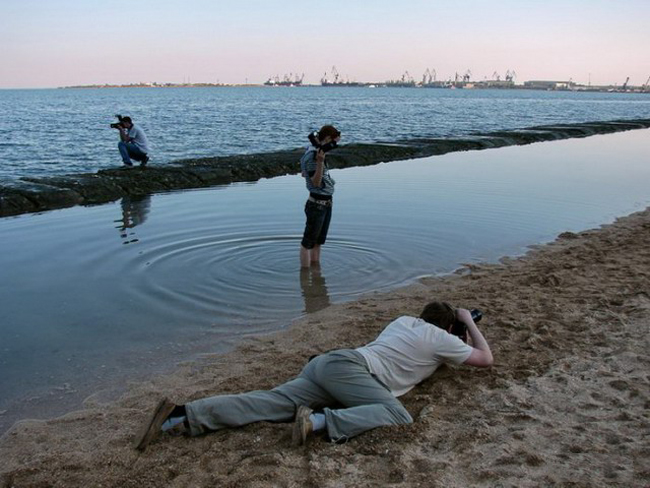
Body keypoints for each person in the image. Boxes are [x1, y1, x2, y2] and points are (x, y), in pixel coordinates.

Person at [135, 301, 493, 451]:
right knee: (397, 414)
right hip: (353, 372)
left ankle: (181, 414)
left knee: (268, 402)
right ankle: (319, 423)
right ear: (448, 327)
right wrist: (467, 322)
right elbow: (485, 359)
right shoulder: (441, 339)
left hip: (331, 364)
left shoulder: (404, 322)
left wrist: (456, 326)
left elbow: (426, 355)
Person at [299, 125, 341, 268]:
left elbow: (307, 173)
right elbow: (316, 183)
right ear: (328, 138)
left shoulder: (318, 152)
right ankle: (305, 280)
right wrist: (320, 162)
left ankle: (316, 277)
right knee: (307, 243)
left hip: (326, 203)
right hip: (317, 204)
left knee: (318, 242)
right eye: (333, 142)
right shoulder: (313, 156)